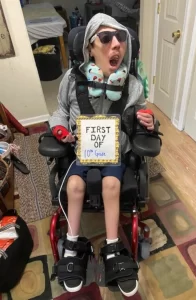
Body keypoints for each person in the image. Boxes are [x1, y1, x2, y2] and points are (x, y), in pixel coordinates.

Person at [49, 13, 154, 297]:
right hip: (81, 153)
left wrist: (149, 120)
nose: (116, 45)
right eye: (106, 38)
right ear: (89, 48)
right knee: (72, 185)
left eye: (120, 38)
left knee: (111, 185)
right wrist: (59, 128)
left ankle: (111, 247)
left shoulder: (132, 85)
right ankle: (72, 245)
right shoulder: (71, 79)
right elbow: (59, 109)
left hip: (114, 155)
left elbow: (143, 111)